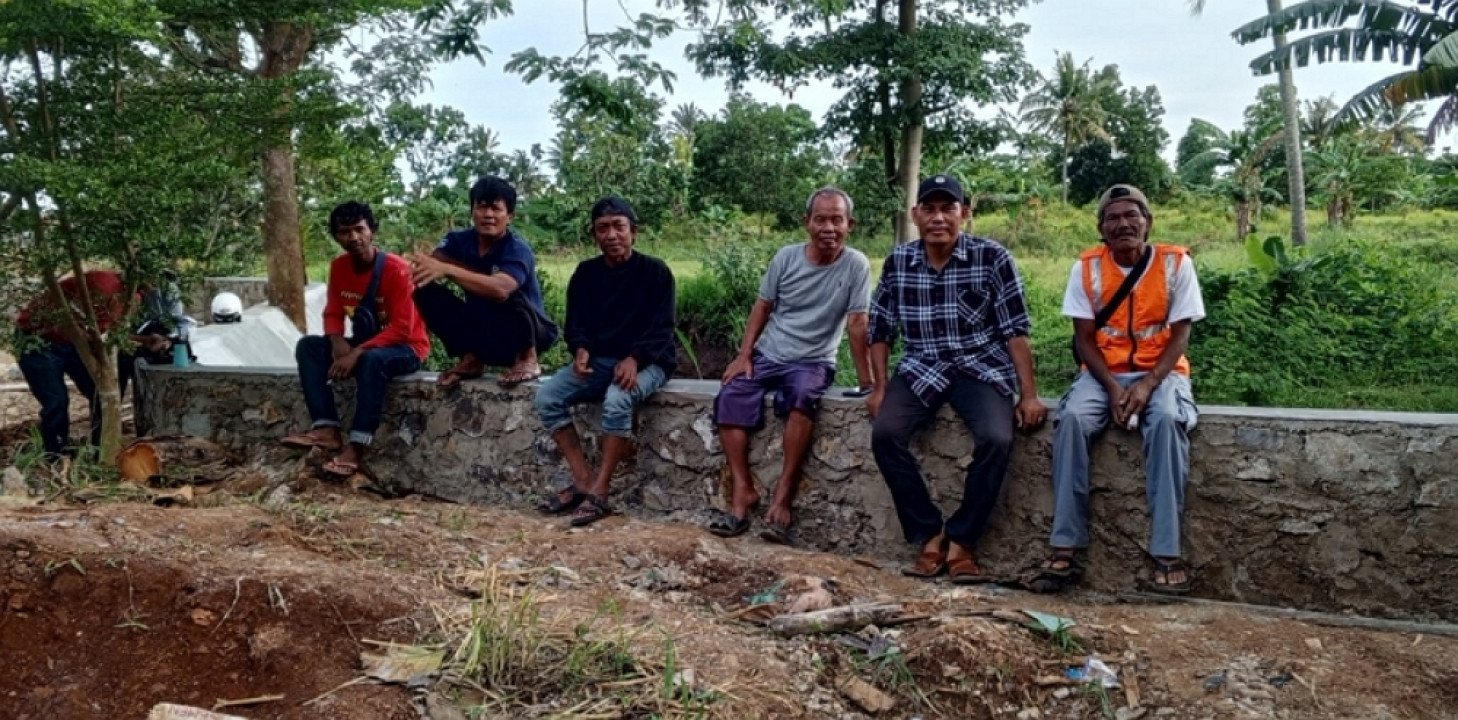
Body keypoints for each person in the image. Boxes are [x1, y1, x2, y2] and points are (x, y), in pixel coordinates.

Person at [868, 174, 1047, 583]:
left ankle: (963, 541)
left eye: (948, 208)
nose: (938, 218)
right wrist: (879, 388)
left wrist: (1029, 395)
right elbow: (880, 330)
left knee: (997, 438)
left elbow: (1015, 331)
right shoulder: (899, 262)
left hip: (979, 366)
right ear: (915, 215)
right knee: (885, 434)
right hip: (921, 365)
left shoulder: (993, 258)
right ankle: (930, 533)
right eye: (928, 209)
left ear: (964, 213)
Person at [1028, 184, 1205, 595]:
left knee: (1164, 420)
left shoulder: (1175, 264)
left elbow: (1180, 335)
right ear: (1101, 228)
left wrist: (1147, 384)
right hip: (1102, 373)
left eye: (1132, 215)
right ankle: (1065, 545)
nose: (1123, 224)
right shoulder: (1086, 268)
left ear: (1148, 222)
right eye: (1113, 218)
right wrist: (1111, 387)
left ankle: (1166, 552)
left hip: (1162, 373)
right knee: (1070, 420)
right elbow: (1084, 339)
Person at [707, 187, 873, 544]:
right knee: (731, 395)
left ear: (850, 225)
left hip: (813, 360)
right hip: (769, 354)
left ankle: (782, 498)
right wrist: (744, 354)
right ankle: (743, 490)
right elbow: (762, 307)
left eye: (836, 219)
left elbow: (858, 322)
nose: (828, 227)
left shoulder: (856, 264)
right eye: (821, 219)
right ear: (807, 223)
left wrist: (868, 383)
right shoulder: (786, 258)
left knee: (802, 401)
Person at [534, 197, 676, 527]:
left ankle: (600, 491)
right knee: (547, 397)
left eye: (618, 227)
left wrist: (634, 359)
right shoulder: (586, 274)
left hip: (651, 360)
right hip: (601, 361)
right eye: (603, 228)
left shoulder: (656, 273)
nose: (612, 235)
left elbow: (662, 329)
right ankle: (582, 479)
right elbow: (577, 324)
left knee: (617, 400)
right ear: (594, 235)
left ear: (633, 232)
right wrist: (581, 350)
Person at [281, 201, 430, 477]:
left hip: (406, 347)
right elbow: (333, 312)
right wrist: (337, 340)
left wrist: (356, 352)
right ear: (337, 237)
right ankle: (326, 428)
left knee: (372, 360)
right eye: (345, 232)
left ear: (372, 231)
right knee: (309, 347)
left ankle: (357, 446)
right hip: (365, 344)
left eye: (359, 229)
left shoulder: (397, 270)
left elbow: (403, 328)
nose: (353, 238)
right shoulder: (339, 267)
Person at [410, 176, 557, 388]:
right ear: (472, 211)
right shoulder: (457, 240)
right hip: (483, 331)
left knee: (506, 292)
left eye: (496, 209)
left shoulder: (517, 249)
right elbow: (431, 265)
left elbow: (500, 289)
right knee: (425, 290)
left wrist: (449, 269)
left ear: (510, 216)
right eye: (481, 207)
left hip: (527, 333)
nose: (488, 215)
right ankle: (471, 358)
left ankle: (528, 359)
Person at [14, 271, 128, 458]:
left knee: (100, 391)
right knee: (56, 400)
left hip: (71, 342)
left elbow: (112, 332)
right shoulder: (104, 285)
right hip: (38, 338)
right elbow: (72, 325)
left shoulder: (133, 297)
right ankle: (55, 454)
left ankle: (100, 449)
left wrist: (144, 339)